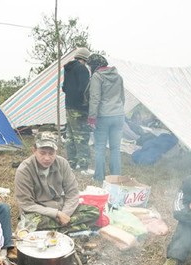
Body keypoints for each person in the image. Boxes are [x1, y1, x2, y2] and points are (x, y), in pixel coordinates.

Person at [14, 131, 100, 232]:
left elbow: (73, 194)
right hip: (39, 212)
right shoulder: (24, 170)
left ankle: (59, 229)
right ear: (34, 150)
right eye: (42, 153)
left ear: (56, 152)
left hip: (60, 207)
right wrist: (56, 214)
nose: (47, 158)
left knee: (94, 211)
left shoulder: (62, 163)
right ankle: (73, 228)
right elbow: (26, 204)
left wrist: (65, 214)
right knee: (31, 222)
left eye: (51, 153)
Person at [86, 53, 125, 183]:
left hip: (103, 116)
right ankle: (116, 177)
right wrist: (118, 109)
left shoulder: (97, 76)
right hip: (118, 115)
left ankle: (99, 177)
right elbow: (122, 97)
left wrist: (91, 118)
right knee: (115, 148)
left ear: (94, 65)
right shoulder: (118, 76)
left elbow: (95, 98)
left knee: (100, 148)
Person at [62, 47, 91, 170]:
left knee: (70, 136)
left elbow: (64, 88)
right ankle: (83, 166)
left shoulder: (68, 68)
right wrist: (87, 104)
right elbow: (84, 89)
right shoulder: (82, 69)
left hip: (68, 106)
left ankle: (71, 163)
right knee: (81, 136)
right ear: (86, 58)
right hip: (79, 108)